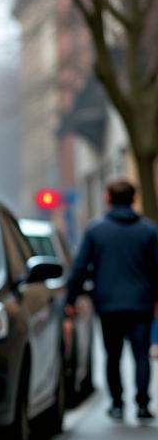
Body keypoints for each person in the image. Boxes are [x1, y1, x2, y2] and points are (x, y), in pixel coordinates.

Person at [67, 178, 158, 422]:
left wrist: (71, 298)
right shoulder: (148, 230)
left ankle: (117, 404)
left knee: (113, 356)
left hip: (108, 304)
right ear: (134, 199)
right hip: (141, 303)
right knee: (141, 354)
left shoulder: (96, 230)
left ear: (108, 198)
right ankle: (142, 404)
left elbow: (79, 267)